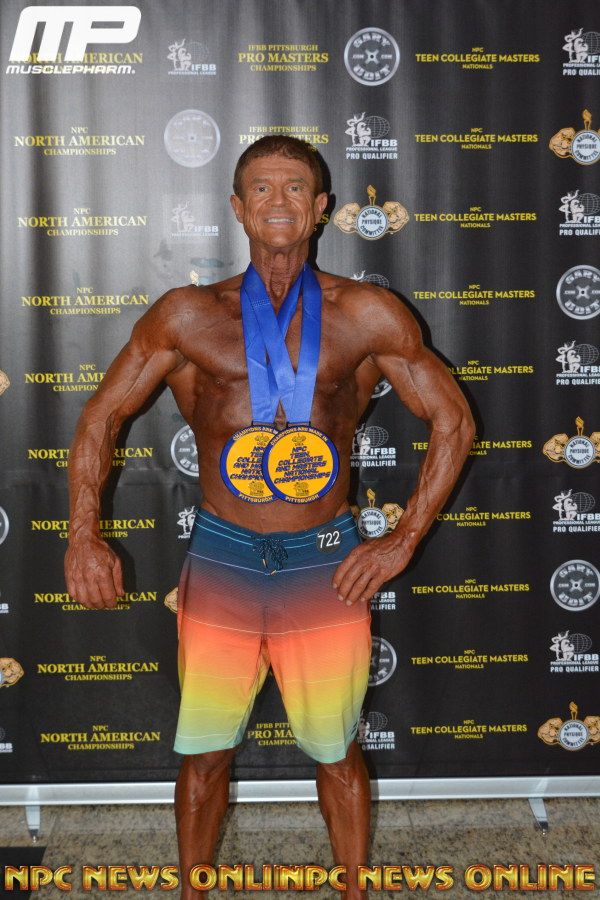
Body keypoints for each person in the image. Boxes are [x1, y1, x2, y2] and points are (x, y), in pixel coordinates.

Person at [65, 136, 475, 898]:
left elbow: (453, 420)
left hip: (325, 563)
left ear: (321, 209)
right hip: (224, 557)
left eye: (295, 188)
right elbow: (102, 416)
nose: (278, 201)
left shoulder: (366, 314)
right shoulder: (187, 315)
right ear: (237, 206)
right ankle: (193, 891)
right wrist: (83, 533)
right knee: (204, 753)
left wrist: (402, 540)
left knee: (336, 752)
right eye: (261, 188)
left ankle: (353, 890)